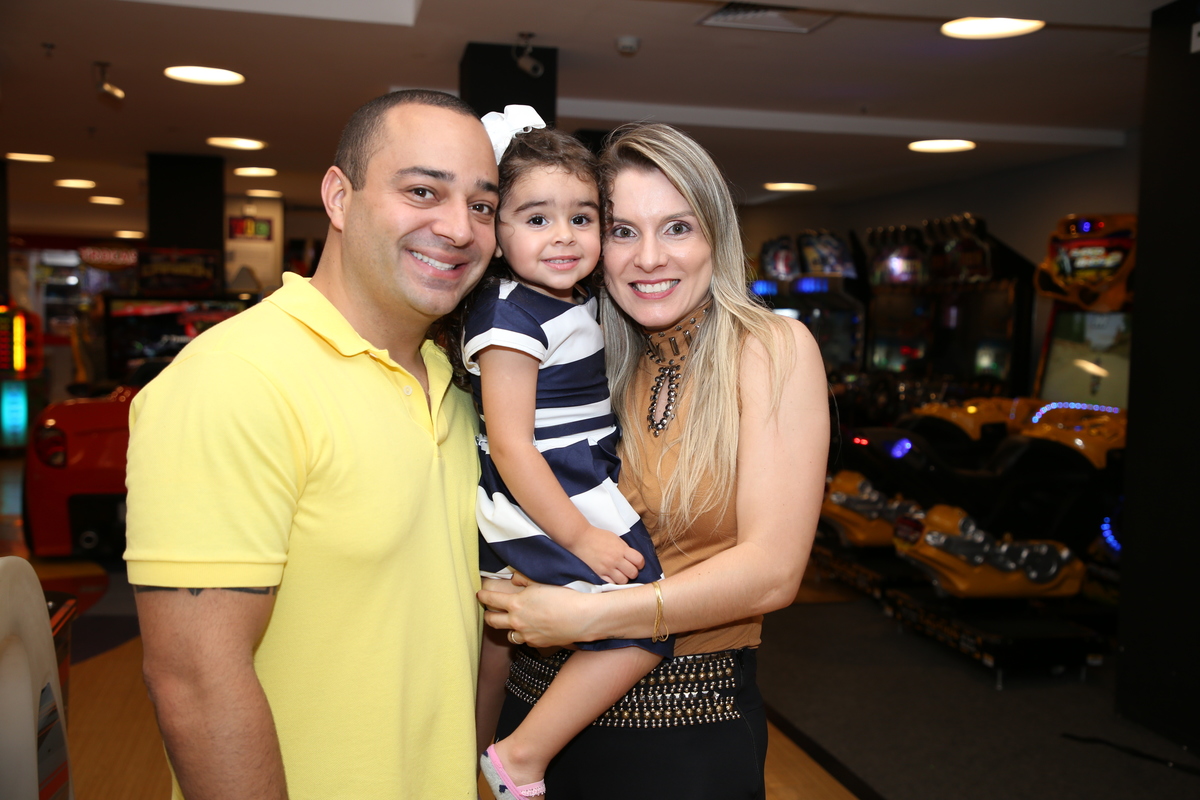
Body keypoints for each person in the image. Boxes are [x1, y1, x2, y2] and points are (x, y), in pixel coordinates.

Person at [124, 90, 500, 800]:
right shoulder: (235, 378)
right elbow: (195, 681)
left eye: (482, 206)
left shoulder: (459, 384)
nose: (458, 228)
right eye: (422, 191)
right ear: (338, 196)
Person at [477, 122, 830, 799]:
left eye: (677, 228)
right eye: (622, 231)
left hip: (682, 736)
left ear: (716, 236)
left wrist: (590, 618)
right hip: (527, 714)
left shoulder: (770, 349)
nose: (648, 258)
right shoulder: (583, 350)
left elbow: (773, 573)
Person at [448, 122, 672, 799]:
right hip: (552, 496)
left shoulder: (562, 301)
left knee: (498, 649)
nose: (564, 236)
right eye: (536, 218)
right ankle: (522, 757)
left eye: (582, 217)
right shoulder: (509, 319)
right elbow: (511, 444)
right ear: (497, 233)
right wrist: (580, 537)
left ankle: (470, 766)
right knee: (643, 619)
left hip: (559, 485)